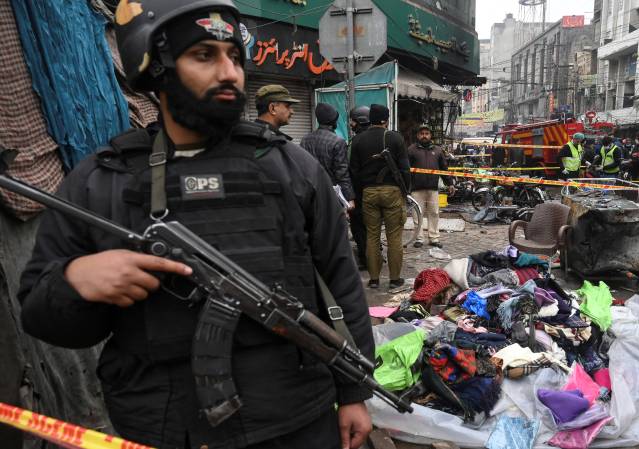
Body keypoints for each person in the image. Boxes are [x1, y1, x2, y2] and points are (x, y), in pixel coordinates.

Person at [17, 2, 374, 448]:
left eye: (235, 57)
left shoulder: (290, 167)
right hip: (166, 426)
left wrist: (355, 391)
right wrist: (75, 282)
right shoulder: (101, 182)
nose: (230, 73)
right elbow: (39, 314)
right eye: (204, 55)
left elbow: (343, 285)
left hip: (297, 418)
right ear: (157, 67)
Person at [349, 104, 410, 289]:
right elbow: (405, 169)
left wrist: (359, 194)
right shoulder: (395, 138)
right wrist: (406, 191)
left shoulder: (358, 140)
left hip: (368, 193)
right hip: (392, 192)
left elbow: (353, 171)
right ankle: (394, 279)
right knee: (394, 237)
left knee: (372, 236)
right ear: (386, 120)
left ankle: (374, 279)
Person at [408, 123, 454, 249]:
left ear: (430, 135)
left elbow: (443, 169)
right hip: (416, 189)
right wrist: (407, 188)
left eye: (426, 133)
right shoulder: (411, 150)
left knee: (434, 213)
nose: (424, 136)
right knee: (418, 215)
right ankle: (419, 238)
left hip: (433, 189)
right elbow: (406, 170)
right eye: (422, 134)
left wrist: (449, 183)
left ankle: (434, 238)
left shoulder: (438, 150)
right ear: (418, 135)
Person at [301, 103, 355, 210]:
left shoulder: (305, 139)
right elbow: (342, 173)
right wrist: (349, 198)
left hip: (310, 192)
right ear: (333, 121)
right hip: (331, 194)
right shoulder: (338, 142)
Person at [348, 105, 371, 268]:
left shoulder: (355, 141)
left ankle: (365, 259)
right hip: (374, 191)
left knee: (359, 228)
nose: (350, 124)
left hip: (359, 191)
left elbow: (349, 168)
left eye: (353, 121)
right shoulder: (380, 137)